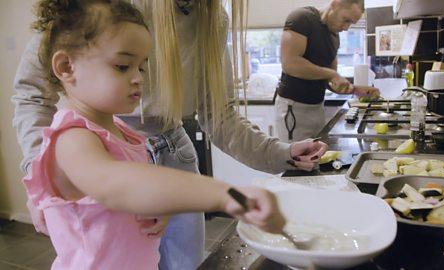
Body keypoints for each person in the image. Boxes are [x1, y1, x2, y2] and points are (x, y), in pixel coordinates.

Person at [12, 0, 328, 269]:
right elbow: (115, 184)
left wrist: (280, 152)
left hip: (172, 150)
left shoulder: (126, 136)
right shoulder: (76, 140)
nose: (139, 79)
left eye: (143, 67)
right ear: (66, 66)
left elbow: (220, 117)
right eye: (124, 66)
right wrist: (230, 196)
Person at [274, 0, 379, 142]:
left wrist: (355, 90)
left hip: (317, 107)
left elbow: (330, 81)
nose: (347, 28)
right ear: (335, 4)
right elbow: (290, 63)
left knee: (315, 160)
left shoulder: (334, 37)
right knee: (296, 162)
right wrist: (332, 74)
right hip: (294, 107)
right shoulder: (302, 18)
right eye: (346, 20)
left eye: (351, 23)